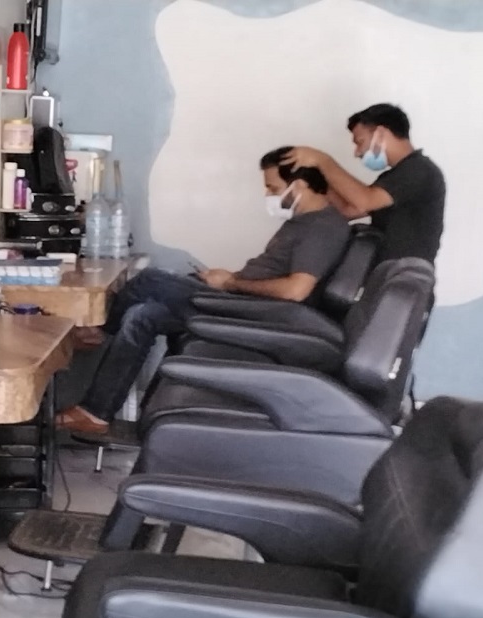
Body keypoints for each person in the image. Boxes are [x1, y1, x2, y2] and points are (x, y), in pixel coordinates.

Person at [57, 151, 351, 435]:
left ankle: (96, 331)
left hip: (251, 311)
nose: (268, 194)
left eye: (272, 188)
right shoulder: (301, 222)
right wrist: (226, 278)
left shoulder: (322, 227)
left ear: (298, 186)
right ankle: (96, 413)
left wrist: (230, 284)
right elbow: (271, 275)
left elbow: (296, 290)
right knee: (141, 315)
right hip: (238, 298)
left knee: (151, 279)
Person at [283, 103, 445, 264]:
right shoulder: (394, 176)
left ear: (380, 133)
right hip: (386, 271)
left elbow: (364, 201)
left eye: (359, 142)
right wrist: (317, 177)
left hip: (406, 274)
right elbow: (349, 210)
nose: (357, 152)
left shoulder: (419, 170)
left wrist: (322, 160)